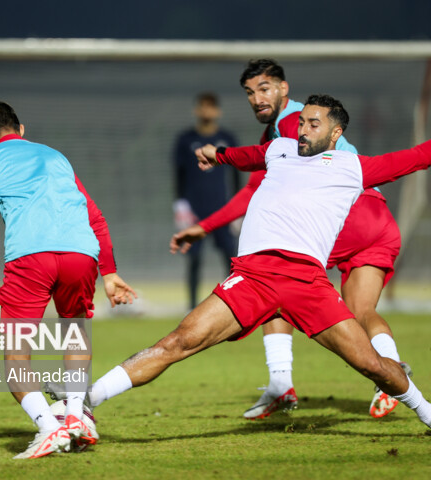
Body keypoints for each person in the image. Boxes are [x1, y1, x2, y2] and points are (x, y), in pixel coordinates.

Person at [85, 95, 431, 440]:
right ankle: (84, 402)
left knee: (370, 364)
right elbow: (247, 155)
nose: (303, 128)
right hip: (252, 277)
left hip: (307, 283)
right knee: (177, 342)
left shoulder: (355, 167)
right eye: (302, 121)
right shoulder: (279, 150)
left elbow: (424, 154)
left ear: (336, 132)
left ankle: (430, 413)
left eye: (313, 123)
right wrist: (217, 155)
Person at [170, 59, 408, 420]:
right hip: (379, 218)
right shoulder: (293, 127)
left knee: (274, 278)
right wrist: (206, 226)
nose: (257, 98)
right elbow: (255, 189)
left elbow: (252, 192)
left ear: (284, 88)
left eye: (265, 88)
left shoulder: (289, 126)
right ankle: (391, 374)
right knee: (362, 311)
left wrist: (206, 225)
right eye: (250, 92)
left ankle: (281, 385)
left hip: (349, 216)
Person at [0, 101, 136, 459]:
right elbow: (95, 215)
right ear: (20, 129)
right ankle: (77, 418)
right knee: (74, 335)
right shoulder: (56, 157)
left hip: (31, 258)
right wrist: (111, 272)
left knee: (16, 356)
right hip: (81, 255)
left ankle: (48, 428)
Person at [172, 92, 239, 309]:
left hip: (222, 209)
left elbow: (237, 175)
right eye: (202, 106)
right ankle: (191, 306)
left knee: (231, 258)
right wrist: (180, 204)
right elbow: (178, 174)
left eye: (211, 107)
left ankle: (232, 304)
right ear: (196, 110)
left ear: (218, 111)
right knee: (194, 258)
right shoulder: (185, 140)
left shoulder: (228, 139)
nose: (206, 111)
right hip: (195, 210)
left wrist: (239, 209)